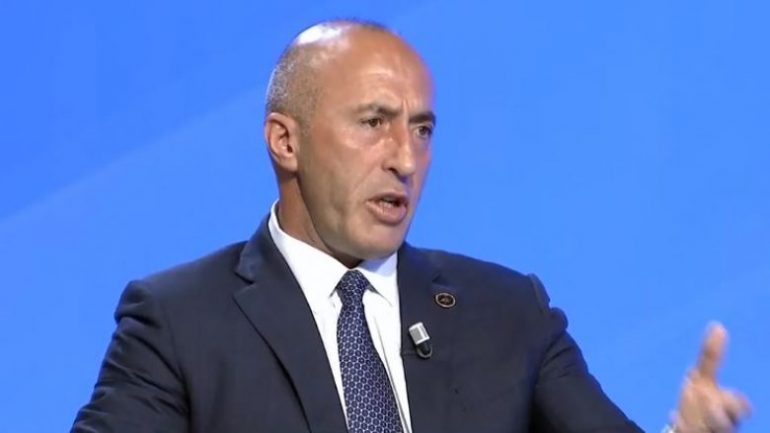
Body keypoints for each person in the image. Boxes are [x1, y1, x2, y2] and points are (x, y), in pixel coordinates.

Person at [72, 19, 751, 433]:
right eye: (374, 123)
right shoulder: (179, 321)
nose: (405, 158)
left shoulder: (507, 312)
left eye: (422, 130)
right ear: (286, 141)